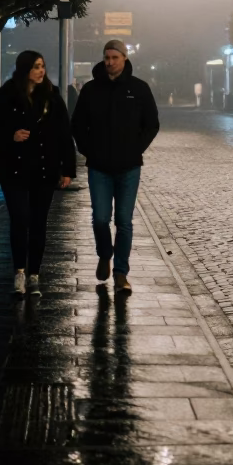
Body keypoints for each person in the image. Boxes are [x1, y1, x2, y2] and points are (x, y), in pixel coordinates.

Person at [0, 50, 75, 297]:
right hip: (14, 169)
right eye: (35, 67)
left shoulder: (52, 98)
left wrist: (68, 169)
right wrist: (10, 136)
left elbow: (65, 134)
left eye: (42, 66)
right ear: (24, 70)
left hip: (44, 169)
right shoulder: (7, 96)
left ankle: (34, 274)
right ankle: (19, 272)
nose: (40, 71)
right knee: (20, 219)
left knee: (38, 223)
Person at [71, 40, 159, 294]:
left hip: (129, 167)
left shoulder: (139, 89)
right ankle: (104, 254)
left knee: (124, 221)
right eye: (106, 57)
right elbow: (77, 125)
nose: (110, 62)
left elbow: (152, 124)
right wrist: (89, 149)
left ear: (124, 58)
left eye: (115, 57)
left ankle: (121, 273)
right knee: (100, 219)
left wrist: (136, 148)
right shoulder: (91, 90)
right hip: (99, 167)